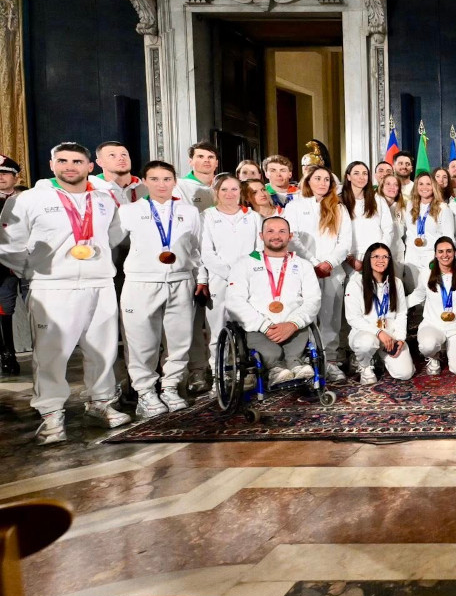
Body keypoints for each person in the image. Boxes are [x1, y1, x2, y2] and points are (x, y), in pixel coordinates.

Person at [0, 143, 130, 443]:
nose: (69, 166)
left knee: (103, 349)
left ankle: (101, 404)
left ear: (89, 167)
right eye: (63, 161)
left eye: (77, 161)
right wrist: (35, 270)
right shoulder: (30, 199)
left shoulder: (104, 200)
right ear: (51, 164)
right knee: (51, 354)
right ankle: (51, 416)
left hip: (99, 283)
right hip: (52, 287)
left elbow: (114, 235)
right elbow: (8, 243)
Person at [118, 161, 202, 418]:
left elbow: (197, 248)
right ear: (144, 181)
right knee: (142, 341)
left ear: (175, 181)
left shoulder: (189, 212)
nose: (161, 184)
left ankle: (170, 387)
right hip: (141, 282)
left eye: (166, 179)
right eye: (154, 179)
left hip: (180, 280)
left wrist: (200, 277)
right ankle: (145, 392)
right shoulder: (128, 210)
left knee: (179, 340)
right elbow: (111, 242)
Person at [225, 216, 322, 388]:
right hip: (259, 328)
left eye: (282, 231)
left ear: (290, 236)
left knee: (299, 339)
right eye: (270, 231)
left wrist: (293, 323)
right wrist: (264, 326)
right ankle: (275, 369)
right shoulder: (244, 264)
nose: (276, 236)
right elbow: (235, 301)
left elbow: (313, 300)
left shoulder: (303, 265)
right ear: (261, 236)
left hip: (294, 327)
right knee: (271, 352)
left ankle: (296, 364)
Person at [284, 166, 353, 381]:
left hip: (332, 271)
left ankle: (329, 360)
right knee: (306, 316)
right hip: (303, 271)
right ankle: (304, 361)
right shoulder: (295, 206)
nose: (322, 183)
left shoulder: (339, 209)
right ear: (308, 181)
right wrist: (313, 263)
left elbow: (345, 242)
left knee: (330, 318)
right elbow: (292, 238)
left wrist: (329, 263)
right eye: (318, 178)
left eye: (327, 180)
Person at [197, 174, 262, 377]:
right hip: (219, 282)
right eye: (224, 189)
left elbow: (258, 249)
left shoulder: (252, 217)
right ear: (216, 192)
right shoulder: (206, 216)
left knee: (249, 328)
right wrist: (229, 274)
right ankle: (220, 378)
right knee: (218, 332)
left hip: (249, 282)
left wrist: (243, 274)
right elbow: (206, 252)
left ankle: (249, 373)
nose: (229, 194)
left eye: (234, 189)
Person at [343, 242, 414, 384]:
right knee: (367, 343)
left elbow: (401, 313)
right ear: (368, 259)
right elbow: (353, 318)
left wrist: (400, 338)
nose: (380, 260)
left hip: (390, 335)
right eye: (376, 257)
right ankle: (364, 365)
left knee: (405, 373)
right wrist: (378, 332)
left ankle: (378, 358)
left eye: (385, 257)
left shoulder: (396, 283)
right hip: (366, 333)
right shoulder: (356, 282)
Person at [415, 236, 456, 376]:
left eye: (449, 251)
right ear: (435, 254)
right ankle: (434, 357)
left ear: (454, 252)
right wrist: (395, 304)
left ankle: (450, 349)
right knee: (427, 345)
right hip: (433, 325)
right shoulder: (426, 273)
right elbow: (417, 295)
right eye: (440, 251)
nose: (445, 255)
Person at [402, 173, 456, 290]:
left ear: (434, 187)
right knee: (412, 289)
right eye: (421, 184)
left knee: (431, 290)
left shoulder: (443, 208)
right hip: (412, 255)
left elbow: (448, 238)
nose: (424, 187)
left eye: (428, 184)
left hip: (431, 255)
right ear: (416, 186)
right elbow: (408, 231)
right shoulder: (410, 206)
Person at [341, 161, 395, 275]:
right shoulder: (340, 201)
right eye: (356, 173)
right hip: (349, 260)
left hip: (376, 258)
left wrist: (379, 255)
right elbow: (336, 234)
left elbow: (388, 229)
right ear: (348, 177)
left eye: (365, 173)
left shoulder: (378, 199)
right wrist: (350, 259)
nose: (361, 177)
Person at [0, 154, 21, 375]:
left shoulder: (29, 198)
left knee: (39, 311)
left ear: (15, 177)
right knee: (4, 310)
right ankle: (7, 354)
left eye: (5, 173)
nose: (0, 178)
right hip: (2, 267)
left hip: (30, 264)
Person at [93, 141, 144, 206]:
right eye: (112, 155)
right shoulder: (90, 191)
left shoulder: (147, 189)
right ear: (100, 162)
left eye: (124, 154)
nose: (121, 158)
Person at [378, 173, 408, 269]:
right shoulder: (375, 206)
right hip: (379, 253)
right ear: (381, 187)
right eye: (388, 184)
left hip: (397, 253)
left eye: (396, 185)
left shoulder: (402, 208)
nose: (392, 187)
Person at [176, 141, 218, 211]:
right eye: (200, 157)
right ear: (190, 161)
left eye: (210, 157)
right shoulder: (179, 186)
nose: (206, 160)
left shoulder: (225, 184)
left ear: (216, 163)